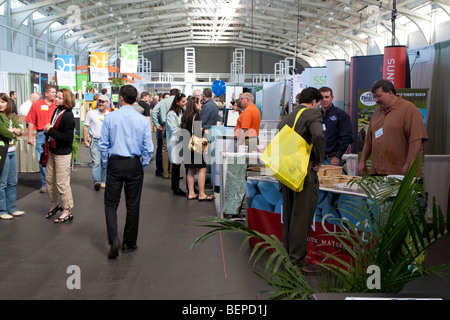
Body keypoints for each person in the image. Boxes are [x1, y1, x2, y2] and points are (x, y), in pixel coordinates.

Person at [98, 85, 153, 259]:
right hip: (134, 164)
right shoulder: (143, 120)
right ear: (136, 99)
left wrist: (107, 163)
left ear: (121, 97)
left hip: (115, 163)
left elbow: (103, 145)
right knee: (133, 204)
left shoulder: (110, 117)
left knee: (110, 204)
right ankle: (129, 243)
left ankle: (114, 240)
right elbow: (148, 148)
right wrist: (142, 165)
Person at [277, 87, 325, 274]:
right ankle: (297, 262)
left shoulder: (287, 117)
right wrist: (319, 158)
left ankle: (288, 257)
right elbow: (319, 136)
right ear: (314, 101)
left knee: (289, 216)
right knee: (301, 217)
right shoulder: (312, 113)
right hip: (303, 171)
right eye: (319, 103)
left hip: (286, 170)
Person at [358, 79, 428, 177]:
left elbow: (416, 140)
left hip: (400, 173)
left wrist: (409, 164)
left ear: (390, 93)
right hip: (378, 172)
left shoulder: (410, 110)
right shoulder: (377, 111)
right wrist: (362, 161)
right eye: (374, 97)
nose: (376, 100)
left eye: (379, 96)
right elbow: (369, 141)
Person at [43, 88, 76, 223]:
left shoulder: (68, 115)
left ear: (66, 100)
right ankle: (54, 203)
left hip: (62, 153)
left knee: (62, 183)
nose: (56, 99)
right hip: (53, 150)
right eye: (56, 96)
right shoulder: (57, 111)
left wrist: (50, 131)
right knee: (49, 180)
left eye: (59, 97)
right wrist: (49, 130)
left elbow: (67, 138)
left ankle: (67, 210)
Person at [181, 96, 215, 201]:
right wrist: (204, 131)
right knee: (202, 169)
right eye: (200, 103)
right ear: (195, 104)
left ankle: (191, 193)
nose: (201, 104)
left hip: (186, 144)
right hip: (195, 146)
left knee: (191, 169)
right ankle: (201, 194)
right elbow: (197, 132)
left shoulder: (186, 116)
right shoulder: (197, 116)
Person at [25, 84, 57, 193]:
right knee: (43, 161)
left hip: (55, 136)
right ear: (46, 93)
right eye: (52, 92)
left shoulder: (57, 105)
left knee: (55, 160)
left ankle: (54, 183)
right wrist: (30, 136)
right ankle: (45, 184)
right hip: (41, 135)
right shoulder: (36, 105)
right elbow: (30, 121)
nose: (55, 94)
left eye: (55, 92)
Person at [0, 93, 24, 220]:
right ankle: (2, 210)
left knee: (12, 182)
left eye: (3, 102)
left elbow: (20, 130)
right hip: (2, 153)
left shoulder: (10, 116)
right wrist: (12, 132)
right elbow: (3, 132)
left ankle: (12, 209)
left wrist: (14, 131)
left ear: (7, 103)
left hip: (12, 152)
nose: (0, 104)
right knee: (2, 183)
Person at [318, 87, 353, 166]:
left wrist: (337, 156)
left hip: (332, 160)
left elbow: (346, 138)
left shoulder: (341, 114)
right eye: (321, 97)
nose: (324, 100)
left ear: (332, 98)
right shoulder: (316, 115)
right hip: (317, 160)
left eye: (327, 97)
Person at [83, 95, 110, 190]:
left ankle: (102, 181)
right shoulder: (91, 113)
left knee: (104, 162)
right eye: (100, 101)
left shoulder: (110, 115)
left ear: (107, 103)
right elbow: (86, 126)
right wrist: (85, 140)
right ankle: (97, 181)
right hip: (94, 141)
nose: (101, 103)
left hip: (106, 143)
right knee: (96, 162)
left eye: (103, 102)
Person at [151, 89, 179, 178]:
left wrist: (157, 124)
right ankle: (172, 172)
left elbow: (154, 112)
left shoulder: (163, 102)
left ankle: (165, 172)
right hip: (176, 127)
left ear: (170, 94)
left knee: (165, 149)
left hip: (165, 126)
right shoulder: (178, 101)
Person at [166, 93, 187, 196]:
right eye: (183, 101)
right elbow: (174, 130)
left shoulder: (182, 111)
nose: (184, 103)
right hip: (174, 142)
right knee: (176, 165)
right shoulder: (171, 114)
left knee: (177, 165)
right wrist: (185, 130)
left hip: (181, 141)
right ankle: (175, 188)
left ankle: (176, 187)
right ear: (177, 102)